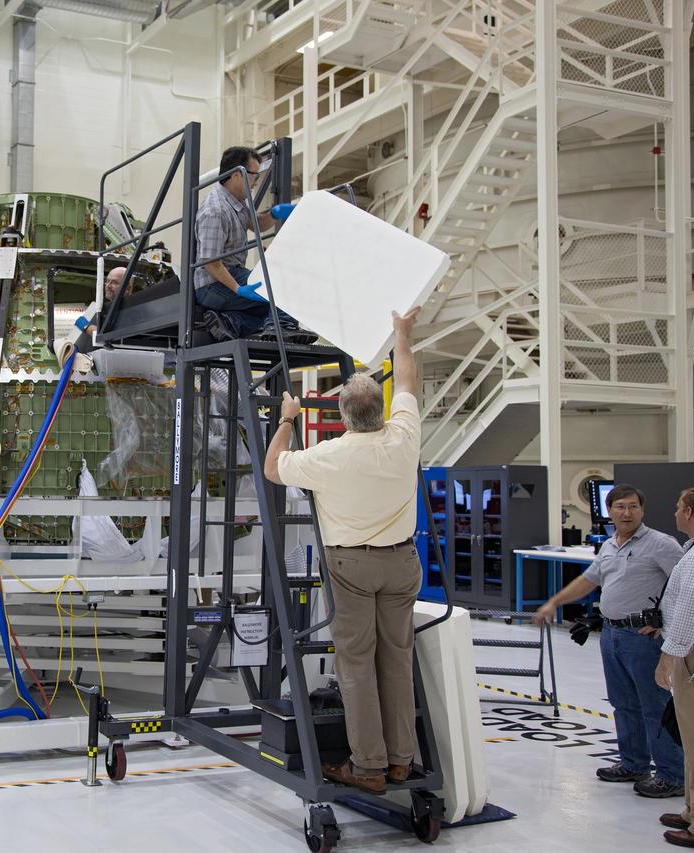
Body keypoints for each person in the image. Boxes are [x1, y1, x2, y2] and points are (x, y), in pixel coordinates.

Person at [265, 307, 422, 794]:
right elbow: (410, 382)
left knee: (355, 663)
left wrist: (287, 419)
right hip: (402, 562)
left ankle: (369, 766)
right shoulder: (404, 438)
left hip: (351, 564)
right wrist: (400, 334)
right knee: (396, 659)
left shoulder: (327, 457)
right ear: (382, 410)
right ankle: (401, 761)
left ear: (341, 415)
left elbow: (273, 468)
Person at [535, 484, 685, 798]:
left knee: (654, 706)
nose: (626, 513)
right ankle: (634, 764)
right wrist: (554, 603)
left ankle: (672, 774)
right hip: (612, 634)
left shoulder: (661, 544)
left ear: (642, 510)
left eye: (633, 507)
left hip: (643, 638)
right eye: (620, 507)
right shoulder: (608, 545)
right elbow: (588, 580)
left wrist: (665, 625)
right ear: (609, 511)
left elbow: (684, 587)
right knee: (623, 705)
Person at [194, 146, 310, 341]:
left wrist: (274, 214)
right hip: (212, 284)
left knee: (269, 308)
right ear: (237, 175)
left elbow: (256, 224)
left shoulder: (236, 202)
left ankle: (233, 322)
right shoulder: (215, 210)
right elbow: (211, 262)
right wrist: (239, 289)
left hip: (229, 275)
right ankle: (279, 328)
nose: (256, 182)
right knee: (280, 289)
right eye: (254, 175)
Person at [655, 487, 694, 849]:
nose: (675, 512)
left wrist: (669, 656)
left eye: (678, 507)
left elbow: (691, 609)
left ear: (689, 512)